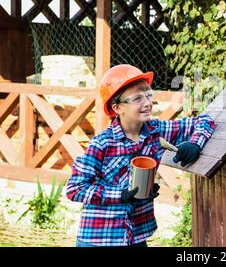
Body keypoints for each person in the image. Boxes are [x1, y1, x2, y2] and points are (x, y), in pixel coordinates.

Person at [66, 64, 216, 247]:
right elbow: (75, 188)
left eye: (148, 95)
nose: (147, 103)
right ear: (117, 108)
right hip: (100, 237)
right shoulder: (101, 144)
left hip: (137, 237)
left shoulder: (156, 132)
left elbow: (205, 121)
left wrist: (195, 144)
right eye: (137, 98)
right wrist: (120, 194)